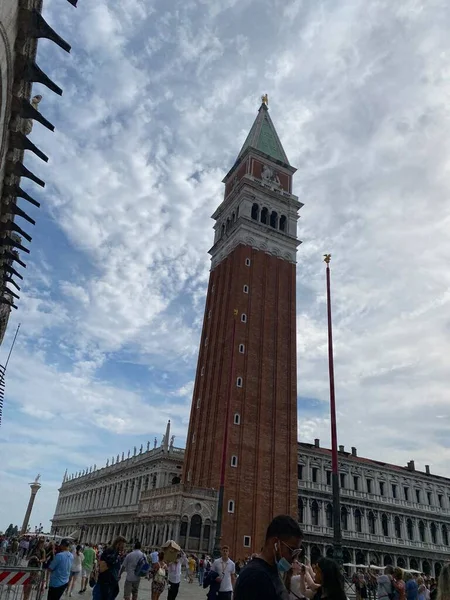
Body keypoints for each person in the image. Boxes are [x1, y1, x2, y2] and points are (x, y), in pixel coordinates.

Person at [235, 515, 303, 600]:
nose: (295, 558)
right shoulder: (254, 576)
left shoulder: (272, 570)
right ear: (275, 543)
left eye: (297, 552)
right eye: (292, 551)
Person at [94, 536, 126, 600]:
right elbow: (107, 563)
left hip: (111, 583)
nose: (123, 548)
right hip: (105, 582)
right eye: (122, 547)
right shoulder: (111, 552)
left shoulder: (117, 554)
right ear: (117, 544)